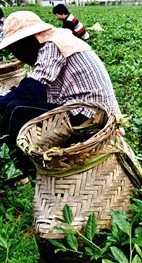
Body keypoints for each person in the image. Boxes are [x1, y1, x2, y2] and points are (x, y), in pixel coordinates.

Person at [0, 11, 120, 182]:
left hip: (89, 113)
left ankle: (28, 174)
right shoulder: (59, 40)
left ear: (27, 41)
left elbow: (32, 89)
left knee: (15, 110)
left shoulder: (52, 45)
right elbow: (38, 86)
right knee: (16, 104)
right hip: (90, 108)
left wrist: (3, 101)